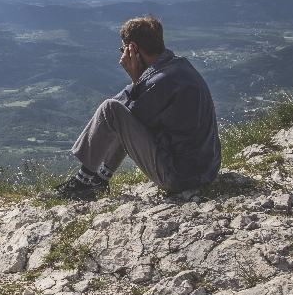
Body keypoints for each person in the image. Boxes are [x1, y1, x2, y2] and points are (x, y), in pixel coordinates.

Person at [55, 15, 221, 200]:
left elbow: (122, 113)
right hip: (206, 169)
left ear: (133, 48)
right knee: (118, 110)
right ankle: (100, 180)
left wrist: (135, 80)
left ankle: (82, 183)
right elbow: (129, 110)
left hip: (180, 177)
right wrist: (138, 82)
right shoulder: (177, 67)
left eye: (123, 49)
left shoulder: (161, 81)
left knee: (110, 109)